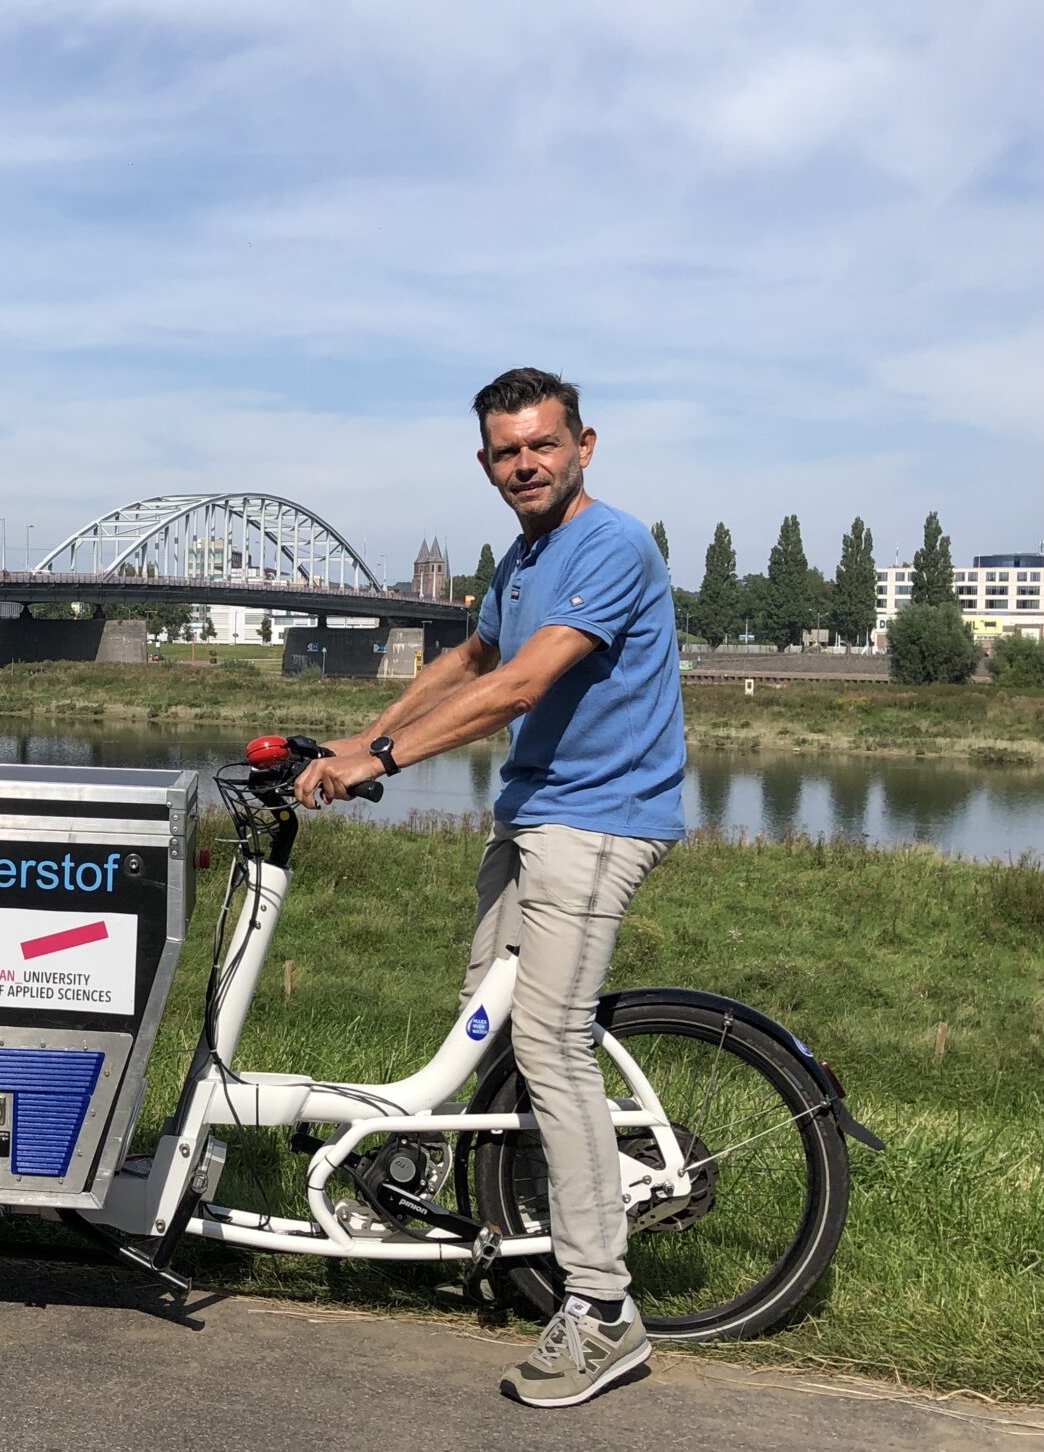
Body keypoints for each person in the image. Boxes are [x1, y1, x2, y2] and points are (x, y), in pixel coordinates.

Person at [294, 367, 685, 1409]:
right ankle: (452, 1194)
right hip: (530, 819)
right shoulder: (522, 560)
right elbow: (472, 656)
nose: (526, 464)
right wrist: (359, 735)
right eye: (508, 452)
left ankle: (604, 1307)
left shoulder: (610, 544)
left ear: (583, 445)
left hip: (599, 821)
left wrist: (383, 764)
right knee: (485, 1023)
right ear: (486, 463)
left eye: (543, 445)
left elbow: (520, 684)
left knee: (549, 1041)